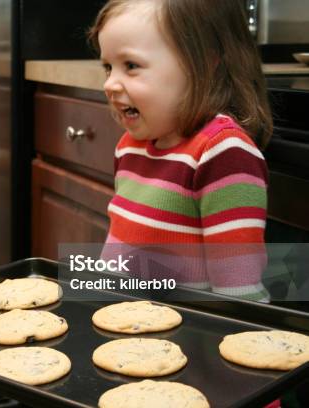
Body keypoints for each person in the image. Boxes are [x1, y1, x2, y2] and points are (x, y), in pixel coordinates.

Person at [88, 0, 272, 302]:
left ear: (202, 64)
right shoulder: (130, 147)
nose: (109, 84)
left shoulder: (221, 153)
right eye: (108, 67)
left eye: (131, 66)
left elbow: (239, 292)